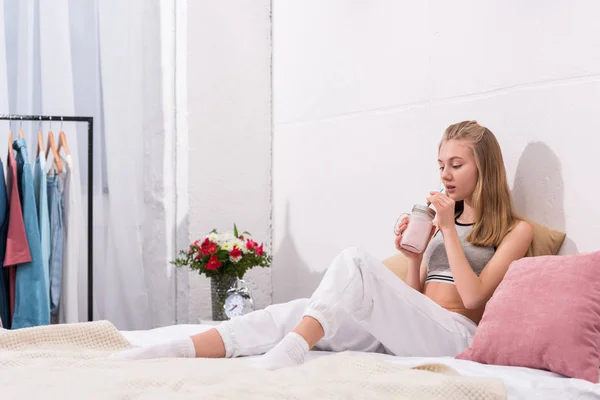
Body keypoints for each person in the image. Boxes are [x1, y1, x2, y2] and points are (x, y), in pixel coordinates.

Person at [112, 121, 533, 370]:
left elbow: (475, 298)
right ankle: (177, 349)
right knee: (299, 311)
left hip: (455, 339)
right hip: (411, 330)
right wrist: (416, 256)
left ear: (485, 167)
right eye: (441, 164)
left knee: (355, 260)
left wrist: (447, 233)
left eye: (456, 164)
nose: (445, 174)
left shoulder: (517, 231)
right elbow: (416, 297)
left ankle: (289, 355)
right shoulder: (445, 218)